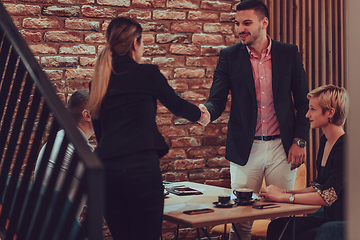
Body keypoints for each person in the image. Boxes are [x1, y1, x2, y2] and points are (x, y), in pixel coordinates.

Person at [198, 0, 309, 239]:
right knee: (240, 219)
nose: (240, 29)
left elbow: (303, 102)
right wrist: (206, 112)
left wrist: (300, 140)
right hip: (245, 149)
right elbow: (216, 100)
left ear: (264, 22)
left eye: (246, 23)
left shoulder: (289, 53)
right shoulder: (228, 56)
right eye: (237, 23)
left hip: (283, 147)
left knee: (283, 219)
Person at [88, 17, 203, 240]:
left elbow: (100, 134)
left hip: (107, 175)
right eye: (142, 43)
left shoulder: (98, 82)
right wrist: (201, 115)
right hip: (141, 170)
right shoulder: (148, 74)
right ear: (134, 43)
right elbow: (177, 105)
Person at [260, 84, 348, 240]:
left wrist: (284, 197)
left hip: (346, 221)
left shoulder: (346, 146)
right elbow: (320, 186)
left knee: (320, 232)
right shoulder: (325, 141)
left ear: (330, 112)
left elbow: (327, 196)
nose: (307, 114)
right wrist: (285, 192)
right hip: (328, 217)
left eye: (312, 109)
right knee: (277, 226)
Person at [35, 89, 94, 217]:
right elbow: (105, 185)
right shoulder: (78, 149)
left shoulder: (60, 139)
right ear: (87, 115)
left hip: (41, 224)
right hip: (55, 230)